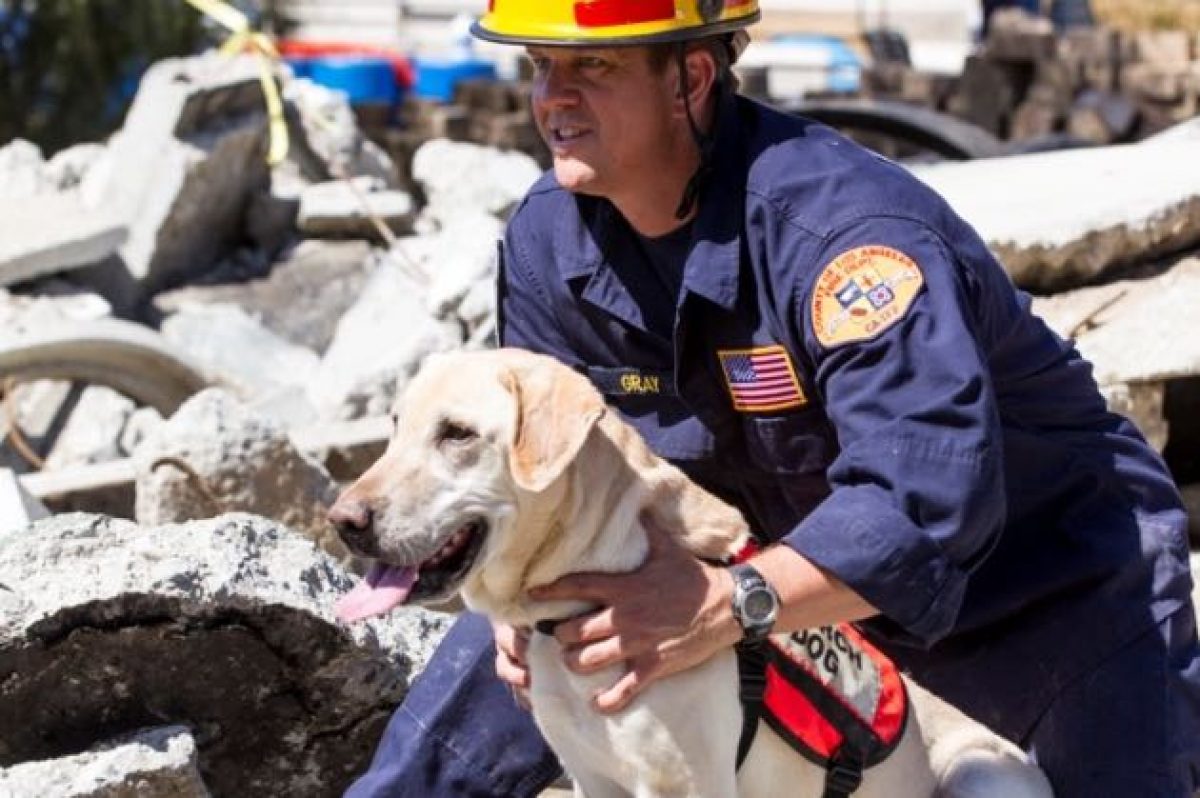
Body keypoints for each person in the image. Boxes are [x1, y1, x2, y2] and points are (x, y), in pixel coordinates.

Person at [345, 1, 1200, 795]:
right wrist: (514, 607)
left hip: (1036, 593)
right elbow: (547, 482)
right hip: (764, 574)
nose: (552, 99)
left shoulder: (849, 241)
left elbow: (925, 502)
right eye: (540, 66)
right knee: (439, 749)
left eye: (593, 69)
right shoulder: (548, 240)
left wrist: (729, 604)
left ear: (692, 79)